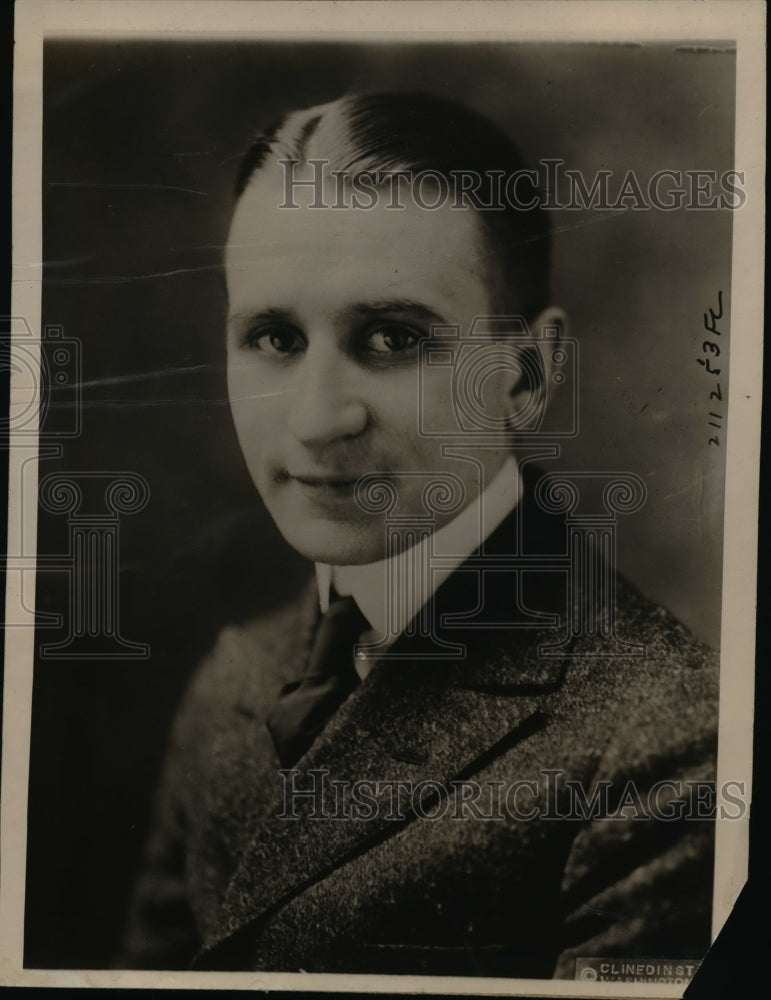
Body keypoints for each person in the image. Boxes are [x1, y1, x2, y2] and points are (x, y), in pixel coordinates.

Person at [120, 92, 718, 979]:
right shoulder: (235, 679)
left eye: (393, 337)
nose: (318, 420)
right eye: (275, 337)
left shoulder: (672, 749)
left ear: (525, 375)